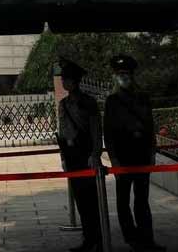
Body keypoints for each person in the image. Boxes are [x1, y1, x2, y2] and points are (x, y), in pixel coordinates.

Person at [104, 54, 166, 252]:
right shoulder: (112, 101)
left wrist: (152, 152)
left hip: (141, 154)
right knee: (123, 201)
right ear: (115, 76)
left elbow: (150, 126)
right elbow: (109, 132)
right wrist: (113, 158)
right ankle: (131, 238)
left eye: (126, 73)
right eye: (120, 74)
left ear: (132, 75)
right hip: (123, 156)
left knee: (142, 200)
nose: (123, 77)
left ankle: (147, 238)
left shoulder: (143, 98)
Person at [57, 57, 103, 252]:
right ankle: (88, 238)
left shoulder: (88, 102)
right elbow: (62, 130)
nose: (63, 82)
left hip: (86, 154)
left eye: (66, 79)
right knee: (80, 200)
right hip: (71, 154)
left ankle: (99, 239)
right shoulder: (63, 104)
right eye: (63, 78)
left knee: (92, 199)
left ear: (74, 81)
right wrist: (63, 157)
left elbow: (95, 130)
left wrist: (95, 154)